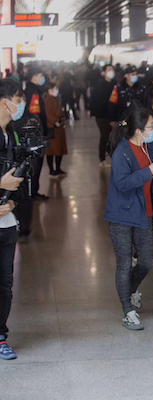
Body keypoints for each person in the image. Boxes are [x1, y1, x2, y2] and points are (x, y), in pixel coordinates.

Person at [104, 105, 153, 330]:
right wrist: (149, 171)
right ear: (139, 130)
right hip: (122, 215)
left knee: (146, 262)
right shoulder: (122, 151)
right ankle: (127, 310)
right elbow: (122, 183)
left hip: (144, 214)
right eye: (150, 126)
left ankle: (129, 291)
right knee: (124, 263)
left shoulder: (149, 147)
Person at [0, 79, 28, 359]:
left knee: (5, 284)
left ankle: (0, 336)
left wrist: (11, 201)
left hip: (6, 223)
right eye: (18, 99)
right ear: (5, 100)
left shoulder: (13, 134)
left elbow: (22, 181)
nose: (21, 105)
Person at [24, 67, 48, 200]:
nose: (42, 78)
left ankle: (34, 191)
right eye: (40, 75)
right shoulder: (32, 92)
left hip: (36, 134)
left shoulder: (33, 90)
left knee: (37, 164)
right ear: (34, 76)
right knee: (35, 164)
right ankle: (32, 193)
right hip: (35, 135)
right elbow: (35, 115)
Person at [90, 64, 118, 167]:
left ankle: (113, 157)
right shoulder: (99, 85)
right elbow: (96, 101)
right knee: (105, 136)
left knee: (113, 138)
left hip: (113, 116)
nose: (111, 72)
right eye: (109, 70)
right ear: (104, 72)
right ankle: (102, 159)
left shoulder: (115, 84)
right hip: (102, 116)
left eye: (112, 70)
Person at [43, 83, 68, 177]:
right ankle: (52, 170)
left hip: (59, 128)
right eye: (55, 89)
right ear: (50, 90)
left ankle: (58, 168)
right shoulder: (48, 100)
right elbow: (48, 114)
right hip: (52, 128)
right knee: (51, 150)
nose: (56, 90)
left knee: (59, 150)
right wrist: (56, 121)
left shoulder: (55, 99)